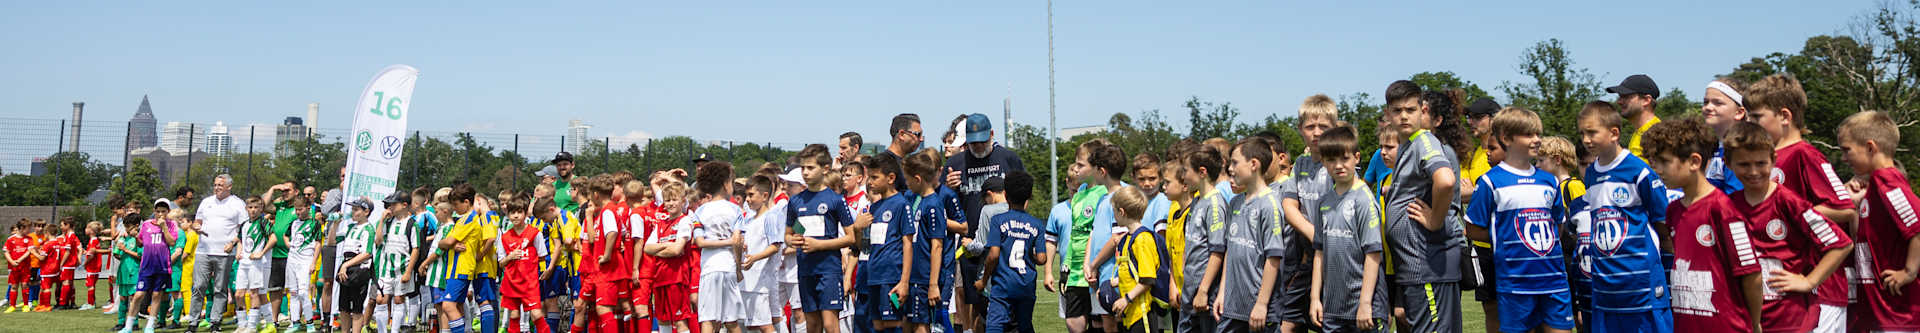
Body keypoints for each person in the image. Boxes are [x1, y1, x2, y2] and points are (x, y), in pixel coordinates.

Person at [1744, 76, 1859, 329]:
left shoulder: (1805, 154)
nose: (1749, 124)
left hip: (1821, 288)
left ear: (1784, 116)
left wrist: (1788, 215)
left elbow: (1844, 208)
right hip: (1786, 293)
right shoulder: (1768, 159)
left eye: (1757, 117)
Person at [1719, 121, 1855, 333]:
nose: (1754, 171)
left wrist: (1809, 281)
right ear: (1728, 163)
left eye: (1761, 163)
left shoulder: (1789, 201)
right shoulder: (1726, 205)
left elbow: (1841, 244)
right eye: (1744, 165)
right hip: (1747, 318)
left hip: (1791, 318)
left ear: (1773, 160)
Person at [1642, 117, 1764, 332]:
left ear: (1694, 162)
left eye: (1663, 161)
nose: (1657, 169)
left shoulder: (1723, 209)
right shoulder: (1673, 210)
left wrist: (1755, 324)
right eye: (1654, 161)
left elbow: (1751, 275)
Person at [1459, 108, 1573, 333]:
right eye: (1529, 135)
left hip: (1554, 281)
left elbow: (1557, 226)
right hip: (1515, 283)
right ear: (1507, 138)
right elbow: (1472, 229)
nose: (1537, 140)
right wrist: (1507, 238)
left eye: (1538, 134)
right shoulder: (1490, 182)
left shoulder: (1549, 181)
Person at [1571, 101, 1672, 332]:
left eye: (1592, 132)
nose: (1586, 139)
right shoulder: (1592, 173)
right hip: (1605, 284)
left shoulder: (1639, 171)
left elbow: (1663, 222)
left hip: (1641, 282)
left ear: (1614, 133)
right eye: (1582, 133)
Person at [1379, 81, 1464, 333]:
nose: (1404, 116)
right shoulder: (1408, 145)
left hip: (1428, 265)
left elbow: (1445, 181)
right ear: (1388, 114)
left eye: (1410, 109)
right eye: (1397, 110)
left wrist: (1434, 220)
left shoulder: (1424, 141)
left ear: (1422, 110)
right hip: (1417, 268)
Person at [1834, 111, 1920, 331]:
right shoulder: (1874, 187)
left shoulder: (1888, 183)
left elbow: (1918, 227)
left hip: (1899, 315)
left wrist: (1908, 272)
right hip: (1880, 313)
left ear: (1871, 147)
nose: (1843, 158)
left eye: (1847, 150)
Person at [1305, 126, 1388, 333]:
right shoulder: (1324, 202)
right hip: (1332, 309)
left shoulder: (1364, 200)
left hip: (1365, 307)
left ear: (1356, 158)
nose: (1338, 166)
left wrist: (1365, 303)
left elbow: (1373, 254)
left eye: (1345, 158)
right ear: (1323, 162)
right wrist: (1315, 298)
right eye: (1331, 160)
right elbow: (1319, 253)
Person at [1206, 138, 1285, 333]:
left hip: (1259, 309)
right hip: (1232, 306)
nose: (1230, 168)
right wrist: (1223, 291)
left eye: (1234, 162)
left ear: (1254, 164)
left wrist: (1262, 304)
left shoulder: (1270, 205)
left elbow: (1273, 259)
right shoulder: (1235, 203)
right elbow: (1230, 252)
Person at [1277, 95, 1339, 333]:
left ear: (1334, 128)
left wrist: (1322, 239)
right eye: (1310, 127)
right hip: (1309, 254)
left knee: (1329, 321)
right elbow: (1289, 206)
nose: (1316, 132)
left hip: (1336, 255)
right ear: (1300, 129)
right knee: (1288, 321)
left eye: (1323, 127)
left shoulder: (1337, 163)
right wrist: (1313, 233)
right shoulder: (1301, 164)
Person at [1536, 137, 1590, 333]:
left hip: (1573, 256)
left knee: (1580, 315)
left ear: (1557, 159)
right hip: (1560, 257)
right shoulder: (1547, 188)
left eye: (1541, 160)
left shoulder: (1572, 186)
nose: (1537, 165)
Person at [1170, 146, 1224, 333]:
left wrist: (1203, 290)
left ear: (1202, 172)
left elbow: (1217, 252)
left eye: (1185, 171)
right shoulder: (1196, 201)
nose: (1183, 177)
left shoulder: (1215, 205)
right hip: (1189, 291)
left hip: (1205, 295)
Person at [437, 184, 503, 333]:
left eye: (455, 204)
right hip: (466, 267)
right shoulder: (471, 218)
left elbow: (491, 238)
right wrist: (450, 244)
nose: (454, 208)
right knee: (467, 304)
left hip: (474, 267)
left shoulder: (482, 216)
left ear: (472, 201)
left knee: (454, 304)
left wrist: (479, 255)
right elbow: (450, 242)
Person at [694, 162, 748, 333]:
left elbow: (700, 242)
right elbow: (737, 241)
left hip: (709, 269)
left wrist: (728, 242)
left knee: (708, 320)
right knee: (731, 321)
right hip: (729, 267)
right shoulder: (736, 210)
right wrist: (739, 267)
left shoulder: (700, 211)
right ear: (726, 184)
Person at [901, 149, 950, 333]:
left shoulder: (933, 204)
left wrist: (933, 285)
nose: (906, 183)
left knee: (921, 325)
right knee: (906, 323)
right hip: (910, 277)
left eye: (908, 179)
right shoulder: (913, 199)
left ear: (918, 179)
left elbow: (937, 246)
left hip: (923, 279)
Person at [192, 174, 246, 333]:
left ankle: (215, 322)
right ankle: (193, 322)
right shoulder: (206, 202)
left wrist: (233, 243)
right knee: (199, 286)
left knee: (220, 289)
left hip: (225, 253)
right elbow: (198, 221)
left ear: (229, 186)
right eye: (215, 185)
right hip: (203, 251)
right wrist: (196, 227)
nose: (216, 188)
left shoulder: (237, 204)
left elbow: (244, 228)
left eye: (220, 185)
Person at [1108, 186, 1164, 333]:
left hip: (1142, 313)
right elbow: (1133, 272)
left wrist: (1126, 299)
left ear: (1121, 212)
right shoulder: (1127, 239)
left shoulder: (1143, 239)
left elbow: (1147, 279)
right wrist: (1117, 282)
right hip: (1129, 313)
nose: (1113, 216)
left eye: (1114, 211)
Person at [642, 181, 695, 333]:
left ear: (683, 201)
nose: (671, 203)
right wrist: (667, 247)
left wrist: (658, 251)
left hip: (677, 279)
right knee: (663, 320)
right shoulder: (660, 223)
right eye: (667, 200)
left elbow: (677, 249)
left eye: (674, 199)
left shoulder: (684, 221)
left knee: (680, 322)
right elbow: (647, 248)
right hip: (660, 278)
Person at [124, 199, 181, 333]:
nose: (160, 214)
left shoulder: (172, 224)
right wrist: (135, 236)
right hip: (146, 266)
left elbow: (172, 242)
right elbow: (141, 243)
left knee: (157, 295)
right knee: (138, 295)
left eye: (163, 211)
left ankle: (150, 325)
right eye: (158, 211)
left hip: (162, 266)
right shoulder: (147, 224)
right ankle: (128, 326)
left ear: (168, 212)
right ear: (154, 211)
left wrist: (164, 228)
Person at [742, 175, 787, 333]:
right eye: (746, 195)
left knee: (765, 324)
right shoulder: (748, 219)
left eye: (751, 195)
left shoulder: (771, 217)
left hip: (761, 280)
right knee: (754, 324)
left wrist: (754, 258)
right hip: (749, 280)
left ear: (765, 195)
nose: (747, 199)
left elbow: (775, 246)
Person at [497, 195, 549, 333]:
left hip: (529, 283)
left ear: (525, 213)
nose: (515, 216)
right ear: (507, 214)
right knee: (514, 315)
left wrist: (533, 269)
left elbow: (542, 255)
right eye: (512, 212)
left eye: (519, 212)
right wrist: (510, 257)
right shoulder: (505, 237)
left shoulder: (534, 233)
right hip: (511, 282)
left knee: (536, 314)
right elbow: (501, 263)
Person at [373, 191, 421, 333]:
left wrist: (408, 272)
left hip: (402, 268)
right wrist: (381, 221)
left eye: (394, 204)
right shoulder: (388, 222)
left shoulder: (412, 224)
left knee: (399, 300)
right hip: (385, 268)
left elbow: (415, 249)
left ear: (404, 205)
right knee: (380, 300)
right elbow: (378, 241)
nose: (390, 207)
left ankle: (395, 330)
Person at [335, 199, 380, 333]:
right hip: (346, 267)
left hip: (359, 270)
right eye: (352, 209)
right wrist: (335, 224)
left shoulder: (368, 228)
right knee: (343, 307)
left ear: (366, 212)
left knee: (356, 308)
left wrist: (346, 265)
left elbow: (367, 253)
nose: (353, 212)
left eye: (356, 209)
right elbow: (332, 241)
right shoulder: (350, 227)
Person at [236, 197, 280, 333]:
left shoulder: (263, 222)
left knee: (256, 293)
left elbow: (273, 238)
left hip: (257, 264)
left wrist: (261, 252)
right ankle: (242, 324)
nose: (253, 210)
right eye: (250, 207)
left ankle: (252, 326)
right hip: (244, 263)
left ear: (261, 209)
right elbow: (240, 240)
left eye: (256, 208)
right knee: (238, 294)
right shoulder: (244, 224)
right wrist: (238, 251)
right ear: (246, 209)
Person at [1699, 79, 1748, 194]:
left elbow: (1736, 198)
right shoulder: (1712, 148)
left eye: (1718, 103)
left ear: (1739, 112)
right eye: (1706, 102)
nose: (1708, 107)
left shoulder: (1740, 149)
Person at [287, 196, 324, 333]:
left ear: (308, 208)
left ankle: (309, 323)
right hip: (292, 260)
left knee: (303, 292)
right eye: (296, 210)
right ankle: (295, 322)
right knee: (293, 292)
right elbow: (286, 236)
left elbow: (318, 243)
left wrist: (313, 262)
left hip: (305, 260)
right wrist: (288, 244)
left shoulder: (314, 223)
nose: (297, 212)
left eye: (300, 209)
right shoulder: (294, 223)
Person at [1606, 74, 1663, 157]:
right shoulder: (1639, 133)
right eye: (1620, 97)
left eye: (1626, 96)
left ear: (1646, 100)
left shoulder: (1658, 135)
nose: (1619, 101)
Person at [879, 113, 924, 193]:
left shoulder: (908, 163)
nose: (921, 139)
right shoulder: (884, 162)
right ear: (902, 134)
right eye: (918, 134)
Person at [85, 220, 112, 310]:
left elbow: (92, 254)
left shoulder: (93, 241)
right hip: (95, 266)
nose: (85, 229)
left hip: (92, 266)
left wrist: (85, 263)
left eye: (87, 228)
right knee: (91, 284)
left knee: (90, 285)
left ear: (91, 231)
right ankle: (91, 302)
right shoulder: (95, 240)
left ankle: (91, 303)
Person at [5, 223, 28, 313]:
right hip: (14, 267)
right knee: (14, 286)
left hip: (25, 267)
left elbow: (29, 251)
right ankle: (12, 306)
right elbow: (6, 251)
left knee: (25, 285)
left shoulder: (28, 239)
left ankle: (25, 305)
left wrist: (19, 260)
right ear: (21, 228)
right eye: (27, 228)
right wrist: (12, 262)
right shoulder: (10, 239)